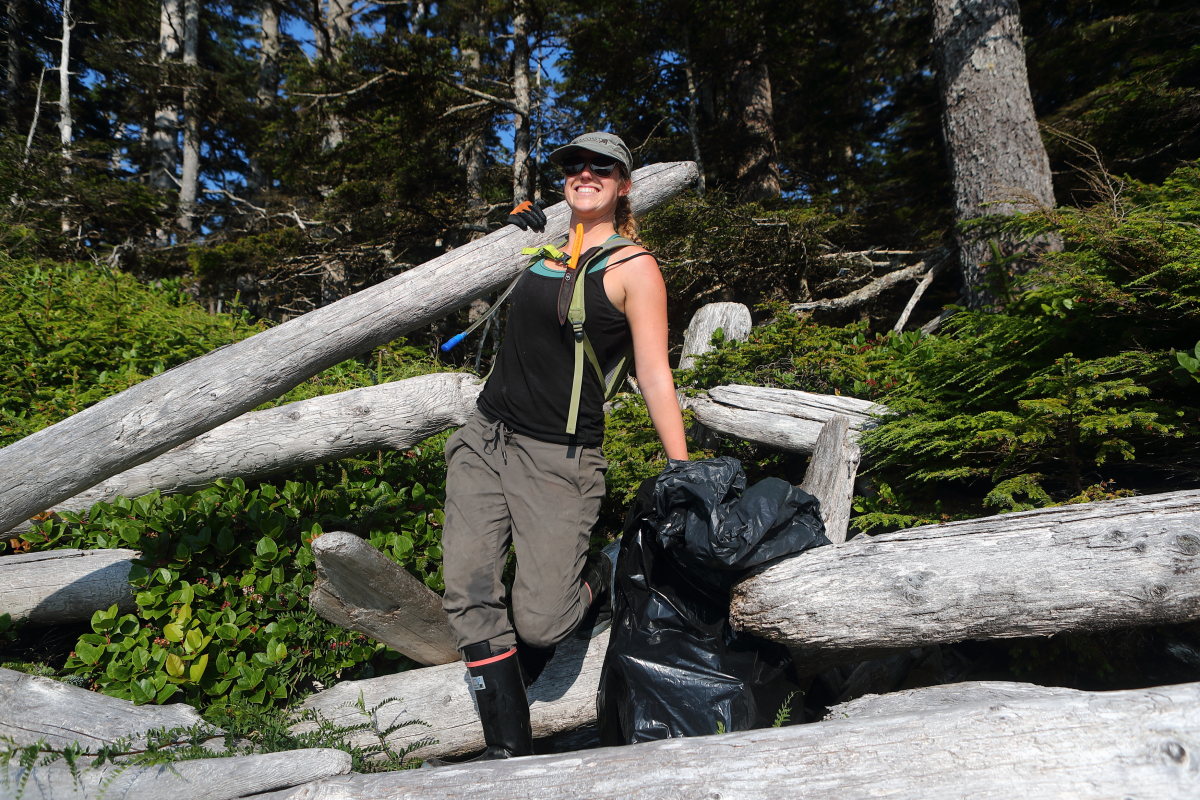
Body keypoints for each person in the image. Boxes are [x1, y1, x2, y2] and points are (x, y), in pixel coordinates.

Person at [439, 132, 689, 760]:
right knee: (467, 592)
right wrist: (515, 233)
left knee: (542, 623)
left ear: (623, 184)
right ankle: (509, 759)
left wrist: (682, 466)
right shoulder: (541, 249)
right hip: (484, 437)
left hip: (559, 458)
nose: (585, 174)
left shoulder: (634, 267)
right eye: (574, 165)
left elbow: (654, 372)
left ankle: (600, 574)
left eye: (601, 167)